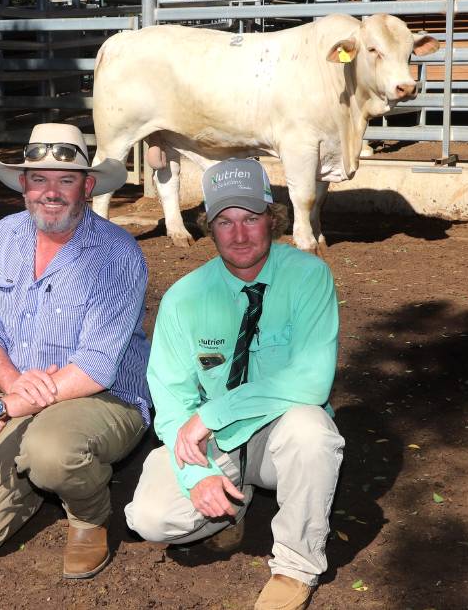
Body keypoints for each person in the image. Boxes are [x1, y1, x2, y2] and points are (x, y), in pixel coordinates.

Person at [124, 158, 344, 610]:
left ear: (273, 219)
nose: (239, 234)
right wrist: (197, 473)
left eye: (250, 218)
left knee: (313, 432)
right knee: (151, 518)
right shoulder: (184, 297)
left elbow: (312, 380)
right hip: (216, 442)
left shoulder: (309, 276)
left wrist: (212, 414)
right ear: (209, 226)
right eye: (225, 221)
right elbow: (170, 397)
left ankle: (296, 566)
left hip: (276, 435)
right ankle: (230, 507)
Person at [0, 124, 150, 579]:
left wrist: (1, 409)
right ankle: (42, 475)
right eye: (39, 178)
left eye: (66, 179)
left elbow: (94, 368)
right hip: (26, 394)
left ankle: (88, 517)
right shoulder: (1, 237)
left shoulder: (117, 253)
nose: (50, 192)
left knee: (52, 448)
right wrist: (16, 388)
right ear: (23, 184)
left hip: (102, 396)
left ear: (87, 187)